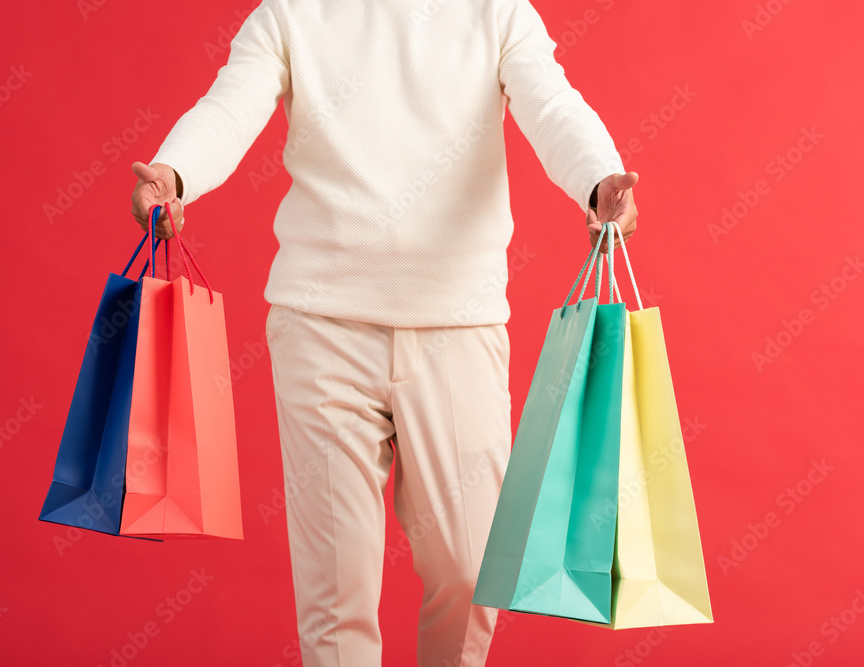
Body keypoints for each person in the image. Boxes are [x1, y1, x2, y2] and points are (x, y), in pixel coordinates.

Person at [129, 0, 638, 664]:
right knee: (335, 597)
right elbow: (230, 104)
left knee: (472, 567)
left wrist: (600, 180)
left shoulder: (497, 11)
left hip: (457, 323)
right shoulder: (291, 13)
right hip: (322, 327)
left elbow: (552, 103)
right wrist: (175, 173)